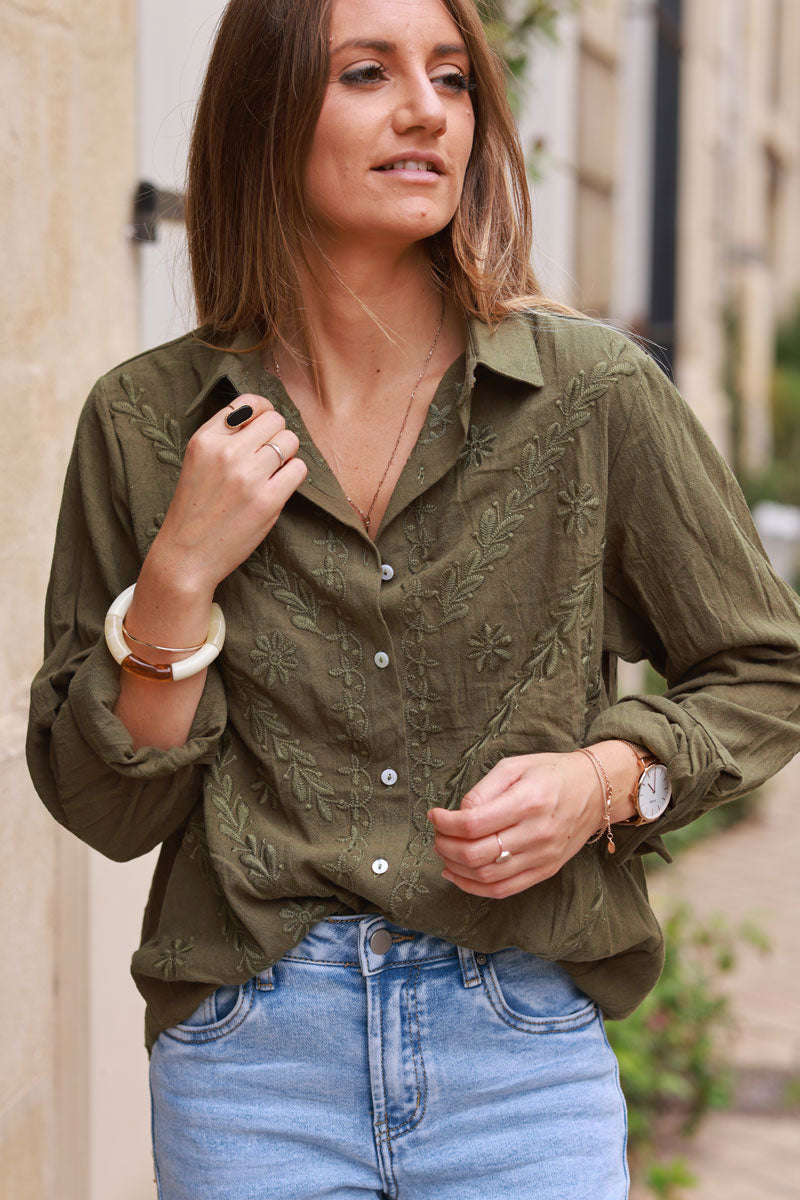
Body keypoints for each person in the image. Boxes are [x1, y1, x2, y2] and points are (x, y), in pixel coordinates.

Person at [27, 0, 800, 1197]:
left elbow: (763, 669)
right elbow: (104, 806)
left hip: (519, 1055)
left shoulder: (587, 395)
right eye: (366, 73)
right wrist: (178, 578)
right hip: (252, 1065)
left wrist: (601, 780)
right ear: (264, 112)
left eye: (450, 78)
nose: (424, 111)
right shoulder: (146, 424)